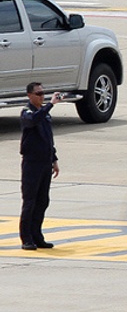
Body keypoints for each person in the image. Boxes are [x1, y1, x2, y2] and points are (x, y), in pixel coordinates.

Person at [19, 82, 61, 250]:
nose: (42, 96)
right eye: (39, 93)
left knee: (43, 201)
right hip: (32, 164)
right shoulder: (27, 112)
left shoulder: (44, 114)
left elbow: (48, 139)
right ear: (30, 95)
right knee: (30, 201)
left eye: (43, 93)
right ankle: (26, 238)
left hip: (45, 162)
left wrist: (54, 159)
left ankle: (37, 235)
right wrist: (51, 104)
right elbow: (34, 121)